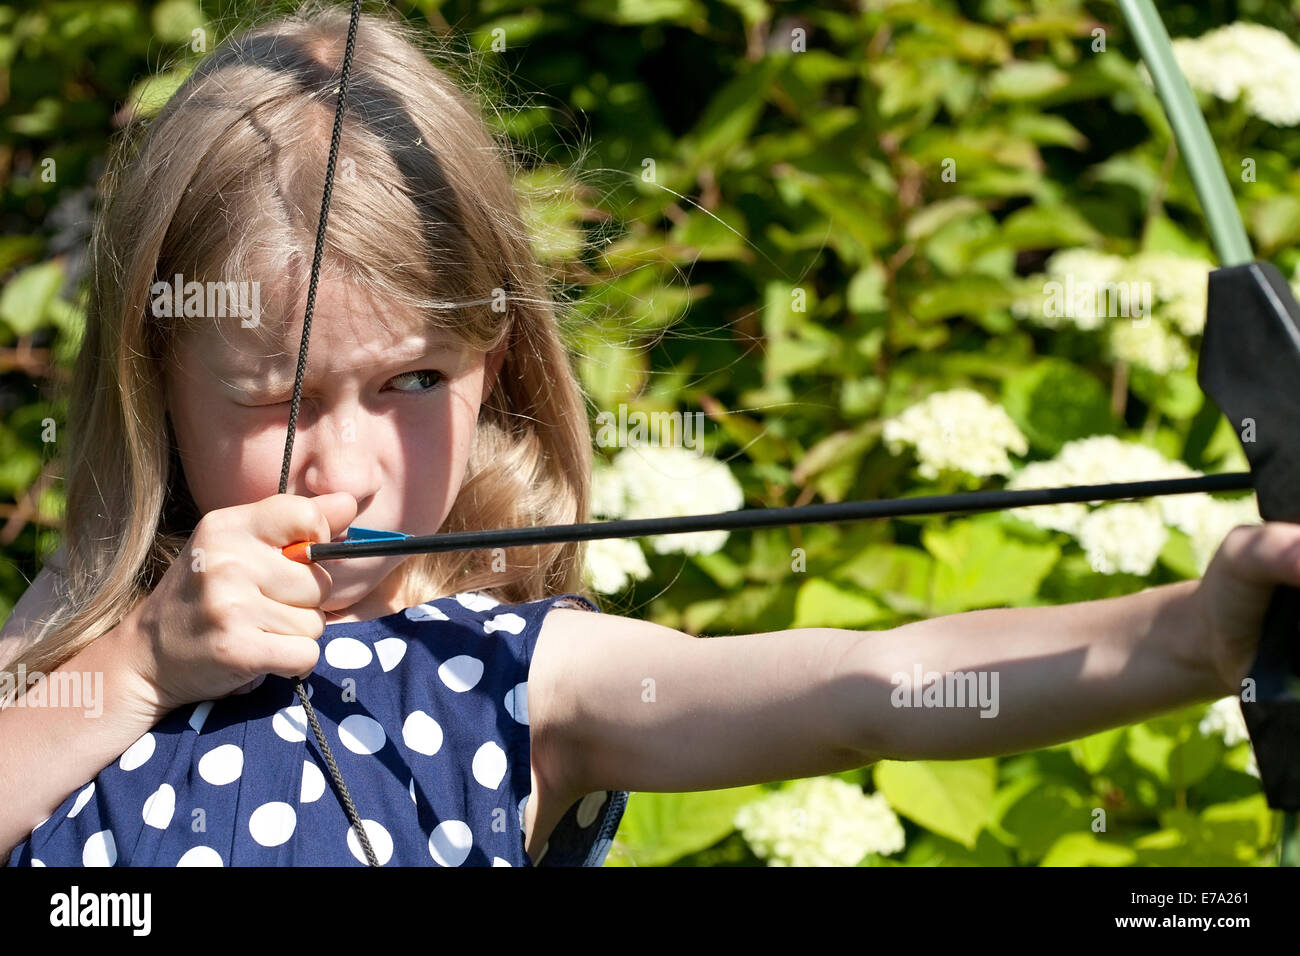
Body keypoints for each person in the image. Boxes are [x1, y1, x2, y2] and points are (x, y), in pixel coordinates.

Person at [0, 3, 1295, 867]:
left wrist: (1194, 636)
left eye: (408, 384)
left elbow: (875, 690)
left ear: (489, 365)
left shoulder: (505, 676)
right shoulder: (66, 648)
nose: (340, 465)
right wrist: (140, 664)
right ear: (153, 375)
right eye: (277, 399)